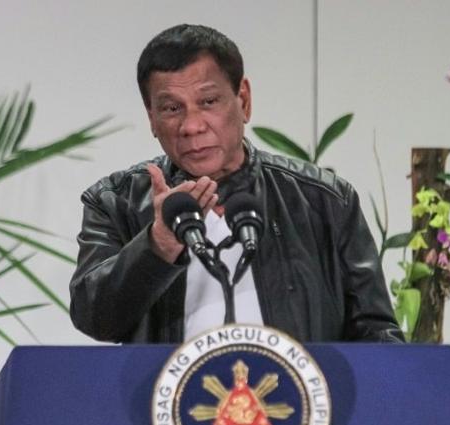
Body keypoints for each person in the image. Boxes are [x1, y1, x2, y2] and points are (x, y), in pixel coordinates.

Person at [69, 24, 403, 344]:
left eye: (208, 102)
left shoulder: (325, 201)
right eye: (172, 108)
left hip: (297, 399)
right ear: (151, 118)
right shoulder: (115, 202)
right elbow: (95, 320)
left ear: (243, 100)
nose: (191, 126)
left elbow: (376, 332)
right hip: (164, 399)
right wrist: (157, 246)